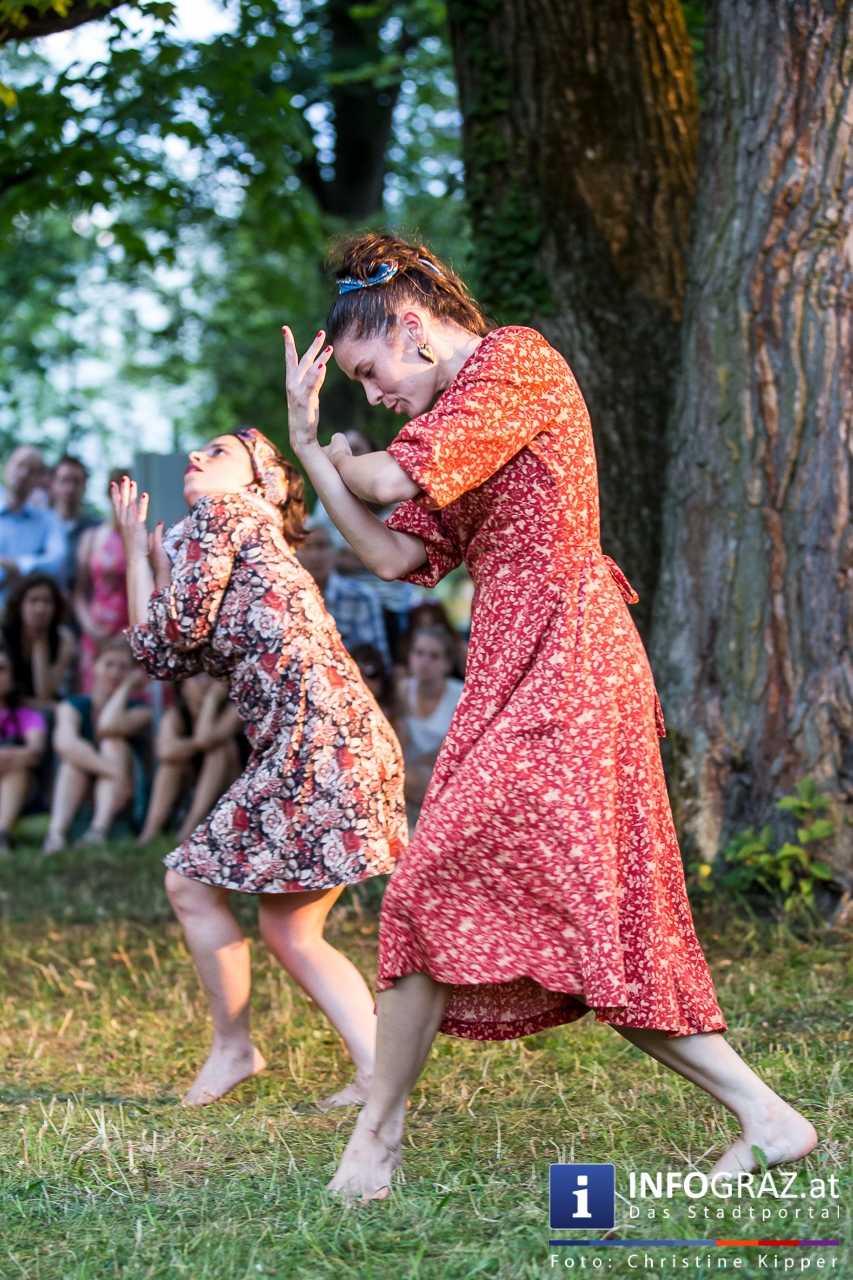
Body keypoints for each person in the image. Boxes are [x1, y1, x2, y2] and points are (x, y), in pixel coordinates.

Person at [281, 232, 818, 1201]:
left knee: (428, 879)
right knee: (601, 925)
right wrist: (316, 448)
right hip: (513, 665)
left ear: (410, 325)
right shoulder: (458, 421)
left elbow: (392, 481)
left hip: (572, 659)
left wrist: (353, 455)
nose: (372, 393)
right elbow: (396, 556)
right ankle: (769, 1117)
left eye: (367, 371)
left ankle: (376, 1137)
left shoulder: (512, 363)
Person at [112, 427, 407, 1108]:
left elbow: (170, 633)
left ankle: (236, 1048)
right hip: (334, 743)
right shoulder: (239, 540)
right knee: (291, 929)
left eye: (218, 453)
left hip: (319, 747)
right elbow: (163, 654)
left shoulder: (230, 516)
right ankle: (374, 1074)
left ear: (261, 483)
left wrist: (141, 560)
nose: (195, 457)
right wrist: (144, 560)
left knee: (190, 885)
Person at [44, 636, 151, 854]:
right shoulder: (73, 705)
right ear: (94, 666)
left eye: (123, 668)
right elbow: (64, 743)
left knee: (113, 743)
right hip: (103, 783)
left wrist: (127, 687)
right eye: (108, 664)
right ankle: (56, 835)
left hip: (128, 795)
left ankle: (98, 830)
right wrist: (115, 773)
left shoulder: (140, 710)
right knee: (72, 761)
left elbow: (107, 726)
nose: (114, 673)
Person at [137, 673, 242, 846]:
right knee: (170, 763)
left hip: (229, 783)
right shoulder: (176, 714)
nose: (206, 684)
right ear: (182, 686)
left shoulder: (233, 710)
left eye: (212, 677)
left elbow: (205, 739)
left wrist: (211, 701)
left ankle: (188, 829)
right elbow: (165, 751)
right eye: (198, 678)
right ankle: (150, 832)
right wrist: (194, 746)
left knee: (219, 750)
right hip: (190, 779)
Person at [297, 519, 391, 667]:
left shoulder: (361, 597)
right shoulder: (287, 598)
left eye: (321, 545)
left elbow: (376, 663)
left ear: (335, 551)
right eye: (307, 546)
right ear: (296, 552)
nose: (315, 555)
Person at [397, 625, 463, 827]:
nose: (424, 662)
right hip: (404, 777)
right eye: (419, 653)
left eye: (434, 656)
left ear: (447, 664)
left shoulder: (460, 696)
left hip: (441, 780)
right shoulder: (401, 689)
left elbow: (448, 751)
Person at [74, 468, 131, 692]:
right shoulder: (92, 537)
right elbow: (79, 592)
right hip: (96, 630)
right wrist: (90, 627)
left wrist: (129, 633)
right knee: (93, 696)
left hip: (128, 633)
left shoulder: (141, 537)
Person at [0, 446, 68, 608]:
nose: (23, 474)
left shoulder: (48, 520)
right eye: (19, 465)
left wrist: (14, 565)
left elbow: (55, 562)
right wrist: (29, 567)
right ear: (7, 466)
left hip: (25, 622)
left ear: (40, 478)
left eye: (31, 470)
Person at [2, 573, 76, 708]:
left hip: (42, 705)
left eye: (47, 601)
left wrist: (41, 642)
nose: (40, 608)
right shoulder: (3, 633)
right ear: (19, 605)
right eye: (33, 600)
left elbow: (44, 693)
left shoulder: (64, 640)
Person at [0, 644, 47, 852]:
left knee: (17, 771)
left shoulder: (27, 716)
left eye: (2, 669)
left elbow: (34, 752)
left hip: (22, 789)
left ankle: (2, 836)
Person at [50, 454, 100, 591]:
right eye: (64, 480)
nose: (70, 488)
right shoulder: (39, 526)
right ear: (53, 484)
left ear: (85, 486)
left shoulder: (97, 529)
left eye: (76, 481)